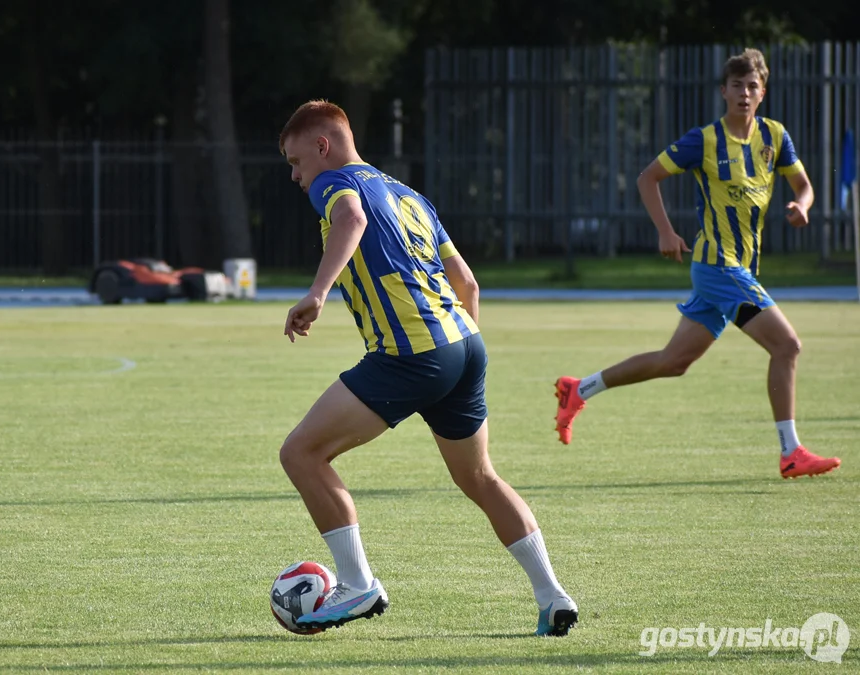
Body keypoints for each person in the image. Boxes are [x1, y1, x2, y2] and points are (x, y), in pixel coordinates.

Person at [277, 101, 578, 636]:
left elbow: (351, 218)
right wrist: (455, 356)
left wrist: (317, 293)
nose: (296, 177)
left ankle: (357, 584)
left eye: (296, 161)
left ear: (322, 146)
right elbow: (467, 283)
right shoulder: (410, 194)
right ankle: (553, 595)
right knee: (480, 477)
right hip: (465, 346)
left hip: (411, 353)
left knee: (301, 453)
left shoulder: (334, 183)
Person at [553, 49, 841, 481]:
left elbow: (804, 185)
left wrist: (802, 205)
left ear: (762, 93)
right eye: (737, 85)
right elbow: (647, 177)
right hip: (718, 266)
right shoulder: (704, 140)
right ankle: (790, 451)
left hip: (733, 271)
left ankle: (579, 389)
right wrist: (665, 232)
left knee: (674, 362)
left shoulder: (775, 137)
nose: (745, 93)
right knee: (788, 346)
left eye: (752, 86)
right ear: (723, 91)